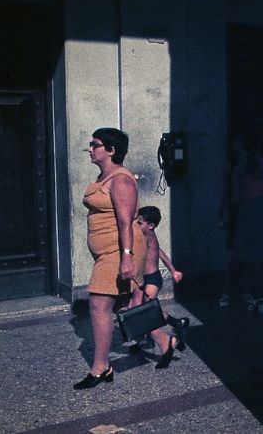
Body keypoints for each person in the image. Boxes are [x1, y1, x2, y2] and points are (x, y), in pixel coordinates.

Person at [74, 128, 181, 390]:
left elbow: (125, 222)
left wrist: (127, 257)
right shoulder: (104, 176)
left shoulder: (121, 180)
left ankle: (101, 367)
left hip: (118, 250)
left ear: (111, 150)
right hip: (108, 251)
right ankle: (165, 342)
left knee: (99, 305)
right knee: (128, 305)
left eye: (95, 144)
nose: (90, 148)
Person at [218, 134, 263, 313]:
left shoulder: (239, 170)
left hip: (247, 211)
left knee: (251, 256)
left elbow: (235, 197)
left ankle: (257, 297)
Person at [128, 205, 190, 353]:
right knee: (143, 310)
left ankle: (167, 341)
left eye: (140, 223)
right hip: (144, 278)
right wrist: (173, 270)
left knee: (147, 311)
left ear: (151, 226)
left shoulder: (146, 236)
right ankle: (176, 323)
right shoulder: (149, 236)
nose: (137, 225)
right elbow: (160, 252)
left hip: (152, 279)